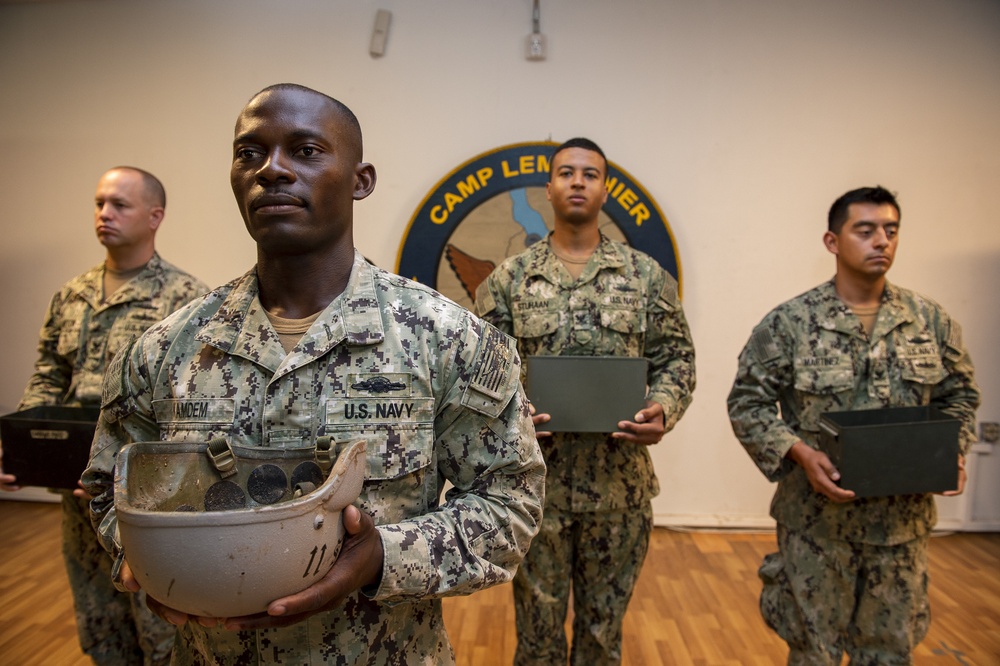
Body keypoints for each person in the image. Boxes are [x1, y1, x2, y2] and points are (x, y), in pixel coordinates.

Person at [82, 83, 545, 665]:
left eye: (305, 151)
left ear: (360, 179)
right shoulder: (163, 350)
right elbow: (109, 486)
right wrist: (155, 566)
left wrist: (384, 557)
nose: (271, 170)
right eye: (249, 153)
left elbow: (511, 505)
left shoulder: (448, 340)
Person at [727, 186, 980, 665]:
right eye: (865, 231)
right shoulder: (790, 323)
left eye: (890, 230)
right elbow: (747, 403)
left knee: (888, 653)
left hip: (900, 530)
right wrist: (799, 452)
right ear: (832, 241)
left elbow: (959, 395)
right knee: (813, 652)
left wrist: (953, 449)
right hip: (817, 529)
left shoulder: (929, 322)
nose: (881, 241)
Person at [475, 137, 696, 665]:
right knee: (537, 636)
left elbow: (678, 360)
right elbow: (480, 371)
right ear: (548, 188)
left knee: (602, 635)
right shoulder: (508, 280)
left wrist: (662, 408)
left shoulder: (645, 277)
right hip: (534, 487)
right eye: (567, 173)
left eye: (590, 174)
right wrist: (512, 416)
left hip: (618, 491)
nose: (578, 182)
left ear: (605, 188)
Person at [0, 166, 208, 665]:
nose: (104, 214)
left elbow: (189, 407)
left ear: (155, 216)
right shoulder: (71, 296)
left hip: (144, 500)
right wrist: (24, 449)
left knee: (161, 630)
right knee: (100, 629)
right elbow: (48, 378)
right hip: (73, 495)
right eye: (99, 203)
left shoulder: (187, 302)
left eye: (119, 204)